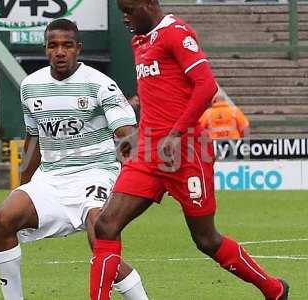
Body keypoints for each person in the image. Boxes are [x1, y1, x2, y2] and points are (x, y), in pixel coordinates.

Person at [89, 1, 289, 300]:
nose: (126, 18)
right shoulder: (139, 40)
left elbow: (206, 86)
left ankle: (273, 289)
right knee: (106, 226)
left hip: (187, 154)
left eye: (130, 10)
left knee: (206, 239)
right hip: (149, 153)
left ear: (149, 4)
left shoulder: (176, 33)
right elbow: (158, 92)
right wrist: (139, 130)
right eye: (122, 12)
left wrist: (176, 133)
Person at [0, 19, 149, 300]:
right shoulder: (31, 86)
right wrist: (23, 186)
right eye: (53, 46)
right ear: (45, 49)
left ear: (78, 48)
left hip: (97, 172)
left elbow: (127, 136)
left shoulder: (100, 84)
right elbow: (34, 139)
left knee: (100, 236)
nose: (60, 52)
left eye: (66, 45)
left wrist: (134, 178)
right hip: (51, 178)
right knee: (2, 219)